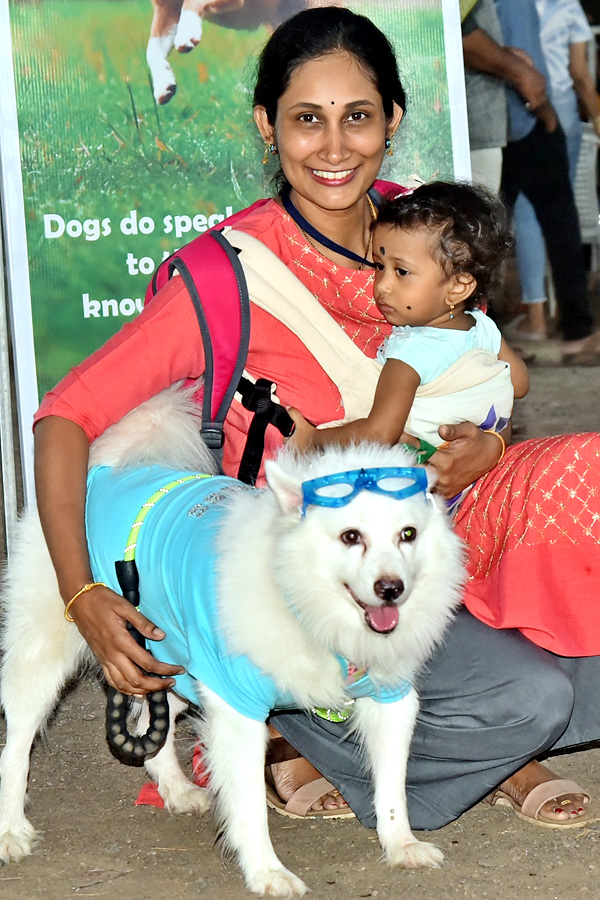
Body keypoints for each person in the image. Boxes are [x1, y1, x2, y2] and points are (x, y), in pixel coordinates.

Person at [32, 6, 600, 829]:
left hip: (456, 527)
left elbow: (482, 376)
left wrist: (489, 443)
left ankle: (392, 739)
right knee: (534, 697)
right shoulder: (222, 280)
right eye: (307, 120)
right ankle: (304, 722)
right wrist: (79, 588)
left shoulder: (427, 229)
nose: (334, 147)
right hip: (323, 576)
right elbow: (64, 417)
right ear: (268, 126)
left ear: (392, 121)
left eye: (357, 117)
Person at [289, 181, 529, 506]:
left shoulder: (411, 354)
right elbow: (518, 383)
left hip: (426, 495)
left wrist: (313, 439)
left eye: (401, 271)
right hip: (485, 485)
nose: (382, 286)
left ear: (458, 287)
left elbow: (378, 434)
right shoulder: (482, 326)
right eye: (379, 266)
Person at [494, 0, 599, 363]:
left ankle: (539, 324)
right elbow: (535, 67)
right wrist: (545, 109)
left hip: (512, 118)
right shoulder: (536, 4)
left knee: (516, 221)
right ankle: (573, 329)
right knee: (553, 218)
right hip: (526, 117)